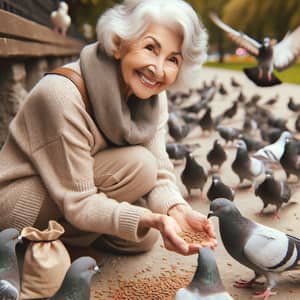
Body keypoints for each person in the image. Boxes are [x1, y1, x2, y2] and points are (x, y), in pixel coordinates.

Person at [0, 0, 216, 256]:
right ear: (119, 43)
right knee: (140, 169)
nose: (158, 69)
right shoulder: (62, 94)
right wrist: (146, 218)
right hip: (20, 204)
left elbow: (161, 169)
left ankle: (64, 238)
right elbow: (80, 200)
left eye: (172, 59)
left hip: (71, 189)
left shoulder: (154, 97)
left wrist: (175, 210)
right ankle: (46, 240)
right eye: (150, 48)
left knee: (140, 239)